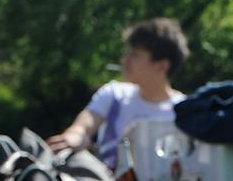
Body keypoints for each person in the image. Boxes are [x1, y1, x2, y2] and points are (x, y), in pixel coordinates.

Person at [47, 18, 190, 171]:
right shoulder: (115, 94)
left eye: (135, 55)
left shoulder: (186, 110)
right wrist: (76, 135)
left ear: (162, 65)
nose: (125, 60)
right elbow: (84, 126)